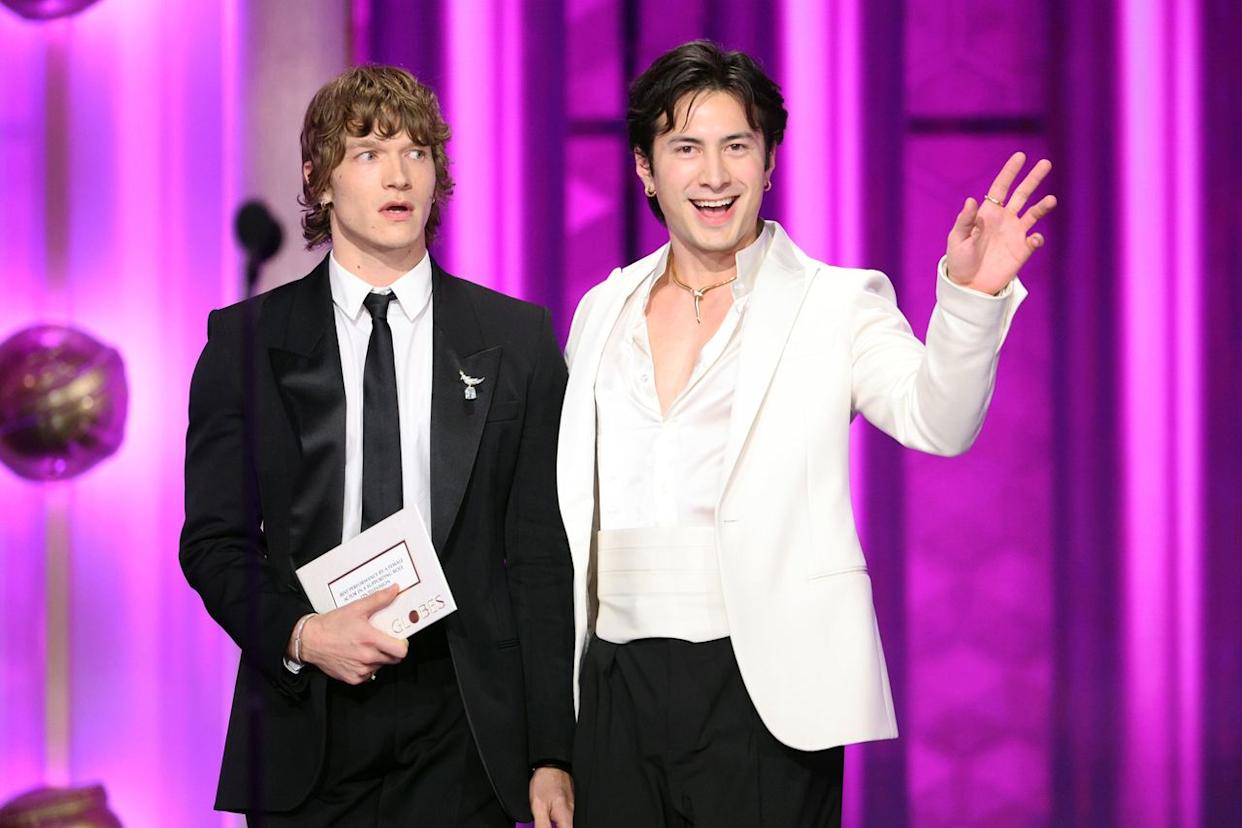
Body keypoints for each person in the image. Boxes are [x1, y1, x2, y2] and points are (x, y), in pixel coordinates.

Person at [557, 41, 1056, 827]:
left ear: (769, 161)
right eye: (686, 148)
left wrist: (968, 300)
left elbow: (939, 419)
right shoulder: (600, 310)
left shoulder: (836, 303)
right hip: (614, 683)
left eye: (736, 146)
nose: (714, 175)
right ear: (647, 170)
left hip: (765, 685)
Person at [181, 65, 575, 827]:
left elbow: (540, 559)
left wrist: (551, 750)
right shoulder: (245, 343)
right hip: (310, 716)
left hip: (465, 722)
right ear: (318, 180)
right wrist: (303, 635)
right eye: (367, 152)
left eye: (418, 152)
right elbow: (213, 543)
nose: (399, 175)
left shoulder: (515, 339)